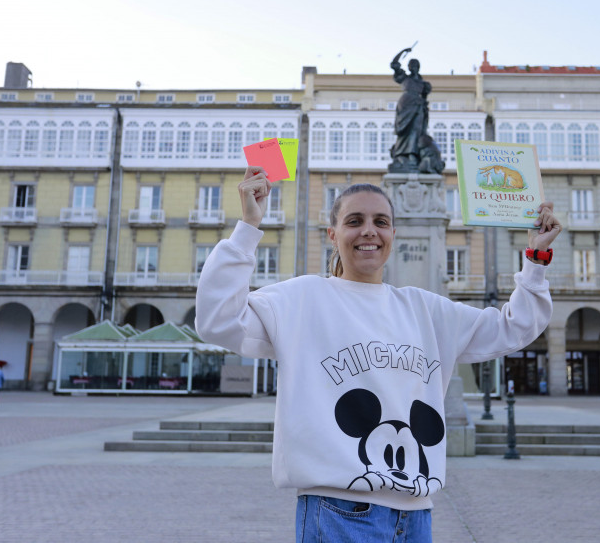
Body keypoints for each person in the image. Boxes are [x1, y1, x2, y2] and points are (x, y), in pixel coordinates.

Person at [195, 166, 561, 543]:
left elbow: (513, 327)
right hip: (339, 510)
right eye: (355, 221)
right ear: (332, 235)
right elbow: (218, 319)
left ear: (393, 235)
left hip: (416, 514)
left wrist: (536, 258)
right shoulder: (301, 299)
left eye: (380, 221)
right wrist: (248, 229)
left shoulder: (426, 310)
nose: (369, 230)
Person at [389, 47, 434, 172]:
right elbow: (394, 64)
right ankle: (400, 156)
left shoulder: (423, 83)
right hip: (406, 104)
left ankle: (412, 155)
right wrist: (403, 51)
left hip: (418, 106)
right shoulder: (404, 78)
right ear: (408, 67)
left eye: (415, 65)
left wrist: (424, 110)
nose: (413, 67)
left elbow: (425, 99)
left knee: (416, 130)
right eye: (411, 65)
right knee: (404, 132)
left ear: (418, 67)